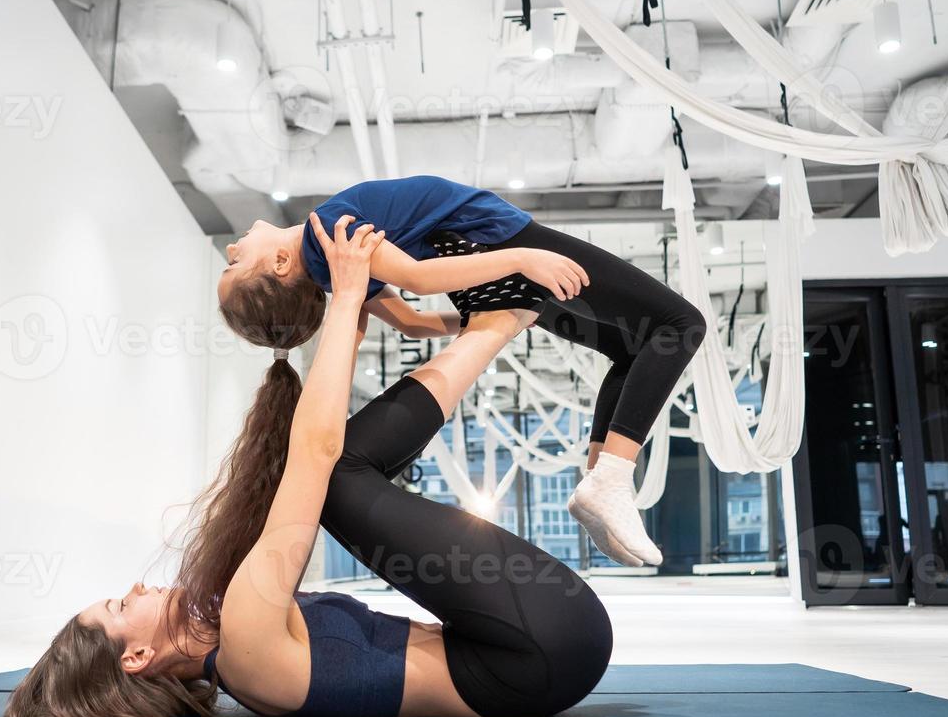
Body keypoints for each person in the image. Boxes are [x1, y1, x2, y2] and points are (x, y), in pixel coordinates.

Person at [2, 215, 611, 717]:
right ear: (135, 657)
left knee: (341, 481)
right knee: (337, 482)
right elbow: (315, 457)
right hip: (543, 648)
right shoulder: (246, 643)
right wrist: (345, 298)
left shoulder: (238, 653)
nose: (134, 589)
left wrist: (353, 318)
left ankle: (499, 323)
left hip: (537, 649)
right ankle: (499, 323)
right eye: (117, 605)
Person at [218, 175, 706, 566]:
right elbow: (416, 279)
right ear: (281, 263)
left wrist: (489, 318)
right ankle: (612, 481)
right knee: (679, 324)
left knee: (626, 348)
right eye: (233, 267)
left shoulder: (336, 267)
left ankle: (600, 481)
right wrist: (522, 257)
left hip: (481, 265)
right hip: (496, 241)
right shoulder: (328, 233)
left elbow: (412, 324)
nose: (229, 250)